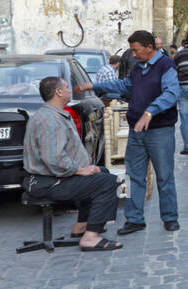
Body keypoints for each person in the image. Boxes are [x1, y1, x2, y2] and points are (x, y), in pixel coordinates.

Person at [80, 30, 180, 234]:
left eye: (136, 50)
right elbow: (125, 86)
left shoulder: (166, 66)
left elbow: (171, 93)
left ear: (149, 48)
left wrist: (150, 112)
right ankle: (134, 219)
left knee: (164, 176)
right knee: (133, 175)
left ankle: (170, 217)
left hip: (160, 131)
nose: (133, 55)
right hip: (136, 131)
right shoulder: (137, 68)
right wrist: (95, 85)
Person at [23, 76, 122, 251]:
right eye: (67, 87)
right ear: (58, 92)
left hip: (51, 178)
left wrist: (86, 165)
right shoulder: (50, 120)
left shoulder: (54, 114)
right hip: (47, 182)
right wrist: (79, 170)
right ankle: (91, 238)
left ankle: (81, 227)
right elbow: (54, 159)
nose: (70, 90)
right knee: (108, 182)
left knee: (102, 172)